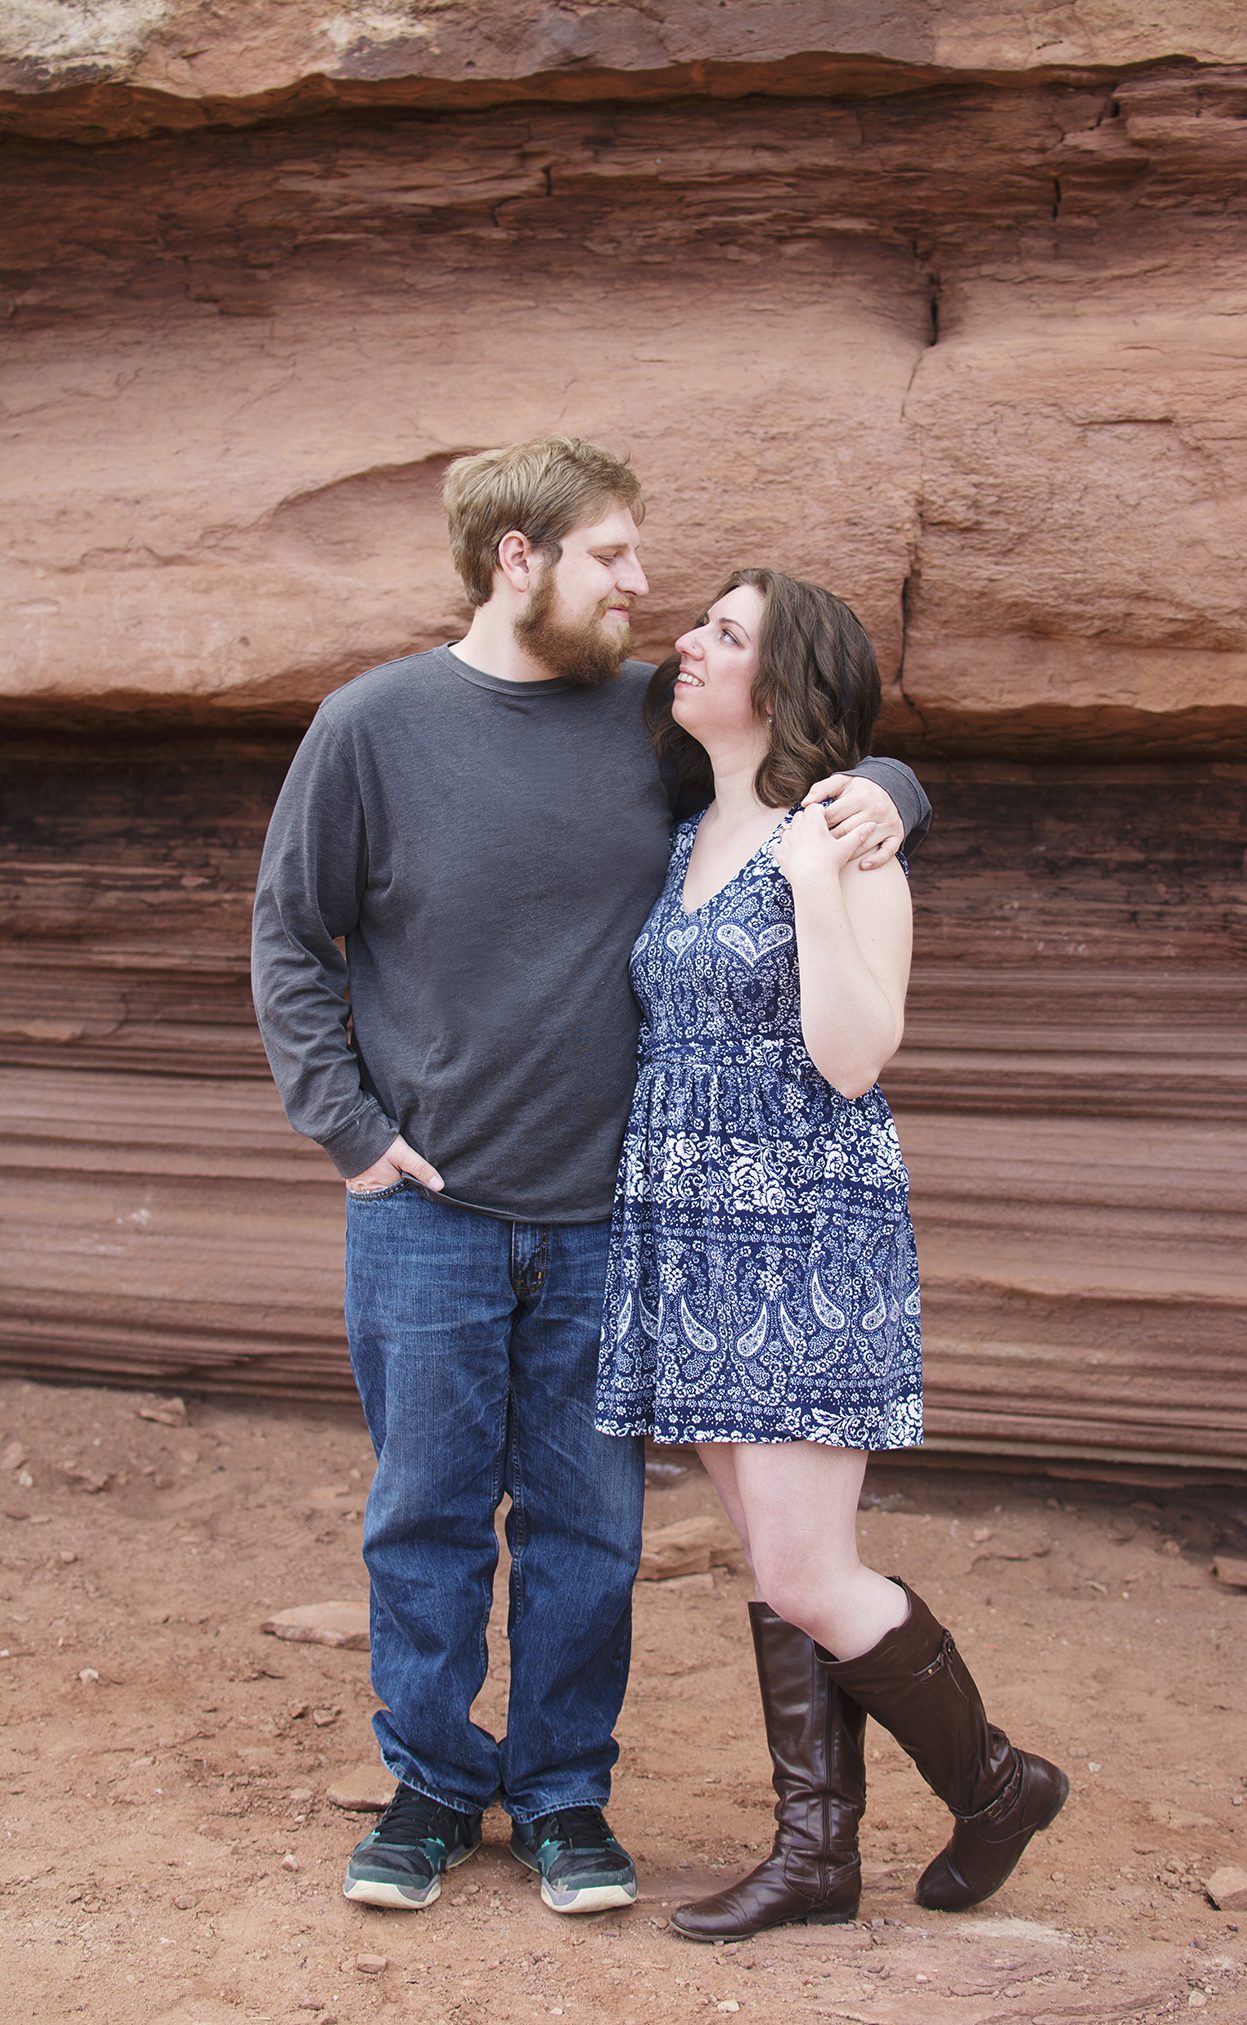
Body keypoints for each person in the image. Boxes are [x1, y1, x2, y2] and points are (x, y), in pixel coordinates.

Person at [250, 439, 932, 1920]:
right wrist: (351, 1132)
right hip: (423, 1208)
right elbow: (291, 938)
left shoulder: (652, 721)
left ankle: (563, 1794)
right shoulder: (369, 726)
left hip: (613, 1217)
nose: (647, 591)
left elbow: (807, 757)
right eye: (613, 555)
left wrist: (893, 784)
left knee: (587, 1530)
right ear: (518, 556)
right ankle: (431, 1784)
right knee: (423, 1512)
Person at [595, 567, 1067, 1942]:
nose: (689, 641)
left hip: (802, 1234)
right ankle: (817, 1854)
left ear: (782, 680)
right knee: (771, 1563)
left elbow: (855, 1052)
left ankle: (996, 1785)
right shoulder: (688, 820)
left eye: (724, 635)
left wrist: (819, 867)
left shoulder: (844, 838)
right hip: (689, 1235)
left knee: (808, 1570)